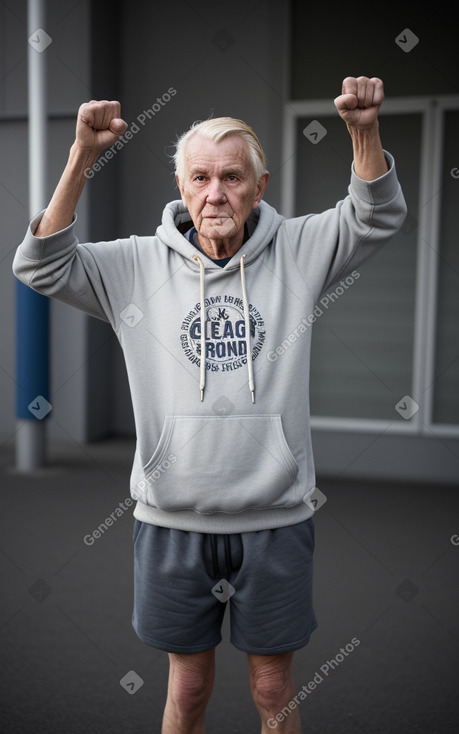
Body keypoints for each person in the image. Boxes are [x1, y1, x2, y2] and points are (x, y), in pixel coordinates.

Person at [13, 76, 406, 733]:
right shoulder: (133, 266)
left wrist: (363, 131)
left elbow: (376, 216)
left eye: (231, 176)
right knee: (187, 690)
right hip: (171, 522)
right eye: (199, 177)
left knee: (272, 688)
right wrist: (83, 155)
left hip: (274, 520)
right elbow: (40, 265)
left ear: (260, 186)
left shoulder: (301, 251)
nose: (215, 192)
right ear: (181, 188)